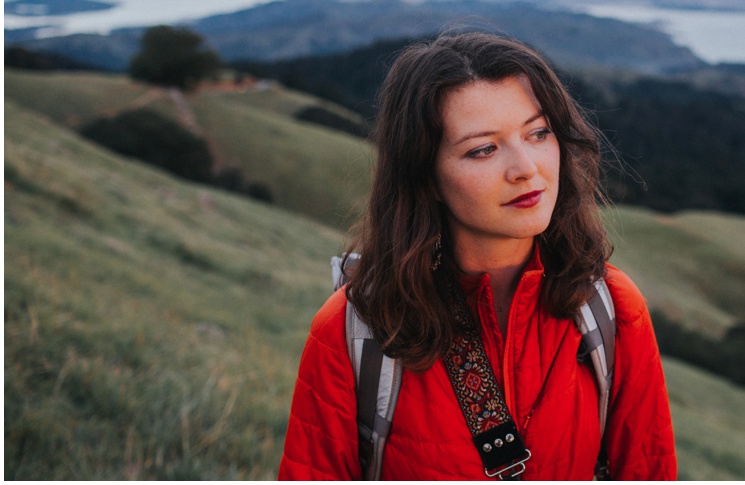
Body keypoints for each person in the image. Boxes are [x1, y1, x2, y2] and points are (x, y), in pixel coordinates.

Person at [278, 32, 676, 480]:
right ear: (425, 175)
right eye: (483, 149)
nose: (526, 168)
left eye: (539, 133)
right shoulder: (355, 329)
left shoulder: (611, 309)